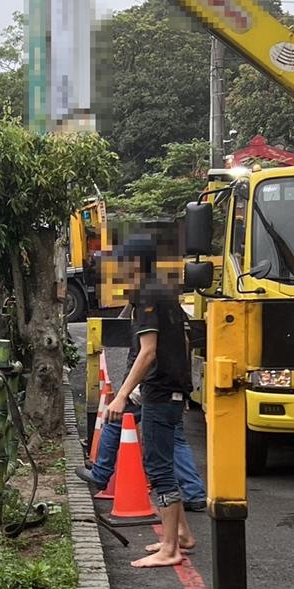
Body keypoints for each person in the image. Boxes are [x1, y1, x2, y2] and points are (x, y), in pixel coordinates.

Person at [102, 235, 195, 567]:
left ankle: (169, 548)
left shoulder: (146, 295)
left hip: (158, 392)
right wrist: (183, 387)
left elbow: (148, 352)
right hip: (172, 391)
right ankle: (182, 535)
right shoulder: (164, 291)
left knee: (158, 469)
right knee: (165, 463)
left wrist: (122, 396)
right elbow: (184, 341)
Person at [77, 333, 206, 515]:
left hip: (150, 387)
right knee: (176, 438)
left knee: (114, 420)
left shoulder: (148, 312)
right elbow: (183, 345)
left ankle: (101, 473)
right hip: (171, 388)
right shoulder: (173, 315)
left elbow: (146, 354)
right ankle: (194, 493)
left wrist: (126, 392)